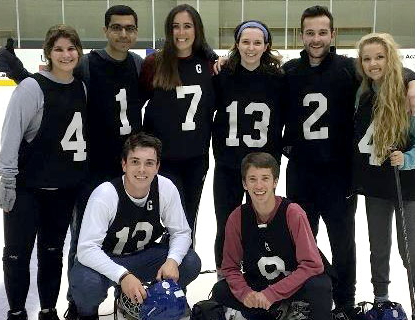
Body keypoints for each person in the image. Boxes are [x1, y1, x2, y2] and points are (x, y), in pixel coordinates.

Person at [0, 6, 147, 314]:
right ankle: (75, 303)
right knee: (74, 243)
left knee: (113, 238)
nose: (123, 33)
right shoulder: (87, 67)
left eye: (129, 28)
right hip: (76, 174)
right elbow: (48, 89)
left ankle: (120, 293)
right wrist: (20, 75)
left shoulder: (134, 66)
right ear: (105, 30)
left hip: (109, 173)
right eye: (116, 27)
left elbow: (59, 92)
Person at [279, 6, 415, 316]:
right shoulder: (290, 71)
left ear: (332, 35)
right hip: (302, 173)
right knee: (301, 241)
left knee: (343, 243)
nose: (316, 39)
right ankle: (308, 297)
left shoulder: (349, 69)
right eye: (310, 33)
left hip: (339, 174)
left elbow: (386, 71)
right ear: (301, 35)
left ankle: (345, 303)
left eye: (322, 32)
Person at [0, 24, 88, 320]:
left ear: (79, 52)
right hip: (27, 189)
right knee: (17, 255)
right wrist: (7, 180)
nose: (66, 54)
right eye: (58, 49)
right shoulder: (31, 88)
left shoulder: (81, 87)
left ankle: (48, 311)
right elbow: (10, 138)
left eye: (71, 48)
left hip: (64, 190)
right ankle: (17, 313)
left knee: (51, 253)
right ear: (48, 53)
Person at [67, 132, 202, 320]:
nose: (141, 170)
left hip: (142, 257)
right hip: (107, 260)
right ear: (124, 164)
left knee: (189, 261)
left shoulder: (165, 188)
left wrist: (172, 260)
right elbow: (86, 249)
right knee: (86, 284)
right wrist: (123, 276)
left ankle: (148, 299)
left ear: (157, 167)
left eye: (149, 163)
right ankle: (86, 315)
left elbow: (181, 232)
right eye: (135, 162)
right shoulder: (105, 195)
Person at [352, 33, 415, 320]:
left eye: (379, 57)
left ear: (391, 58)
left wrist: (406, 158)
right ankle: (381, 298)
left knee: (408, 245)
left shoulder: (408, 95)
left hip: (406, 184)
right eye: (367, 58)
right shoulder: (362, 92)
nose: (373, 63)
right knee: (378, 245)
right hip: (375, 183)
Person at [209, 152, 332, 320]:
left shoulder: (293, 213)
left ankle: (292, 309)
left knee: (319, 286)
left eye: (265, 178)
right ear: (244, 184)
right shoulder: (237, 217)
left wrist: (272, 294)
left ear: (275, 182)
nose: (259, 185)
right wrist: (246, 294)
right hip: (262, 283)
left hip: (293, 285)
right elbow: (230, 268)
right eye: (252, 179)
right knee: (220, 290)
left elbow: (313, 265)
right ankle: (273, 312)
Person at [211, 19, 286, 271]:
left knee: (261, 223)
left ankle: (257, 274)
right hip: (228, 165)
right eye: (245, 42)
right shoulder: (222, 75)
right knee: (226, 224)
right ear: (237, 44)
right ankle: (225, 279)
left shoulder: (278, 79)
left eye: (257, 42)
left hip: (262, 169)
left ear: (266, 46)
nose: (251, 48)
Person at [139, 4, 218, 236]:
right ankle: (154, 268)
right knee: (162, 219)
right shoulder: (155, 64)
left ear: (197, 30)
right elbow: (134, 104)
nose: (181, 33)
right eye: (176, 27)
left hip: (196, 158)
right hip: (162, 159)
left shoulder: (209, 64)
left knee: (187, 219)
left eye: (187, 26)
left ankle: (182, 270)